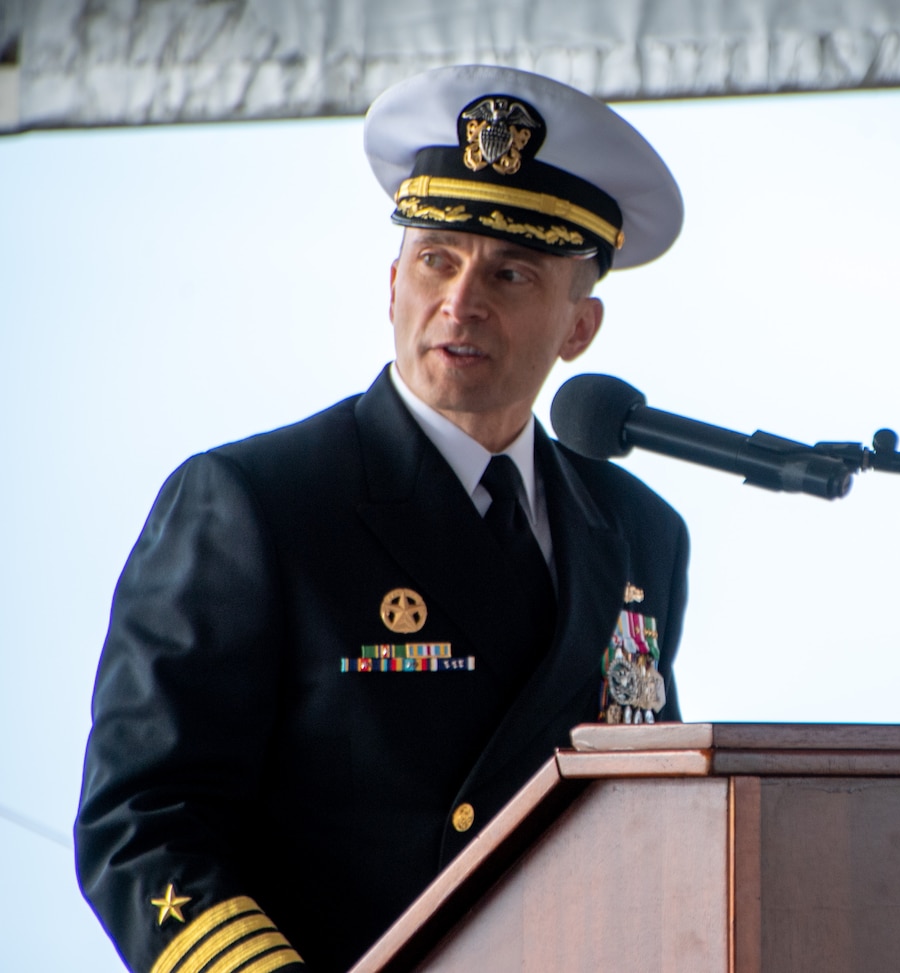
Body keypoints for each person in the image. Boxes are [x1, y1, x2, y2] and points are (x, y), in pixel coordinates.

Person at [75, 65, 689, 973]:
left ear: (579, 328)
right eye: (438, 258)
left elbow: (643, 812)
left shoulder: (638, 530)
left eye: (511, 272)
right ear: (392, 279)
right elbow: (146, 821)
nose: (461, 300)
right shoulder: (256, 500)